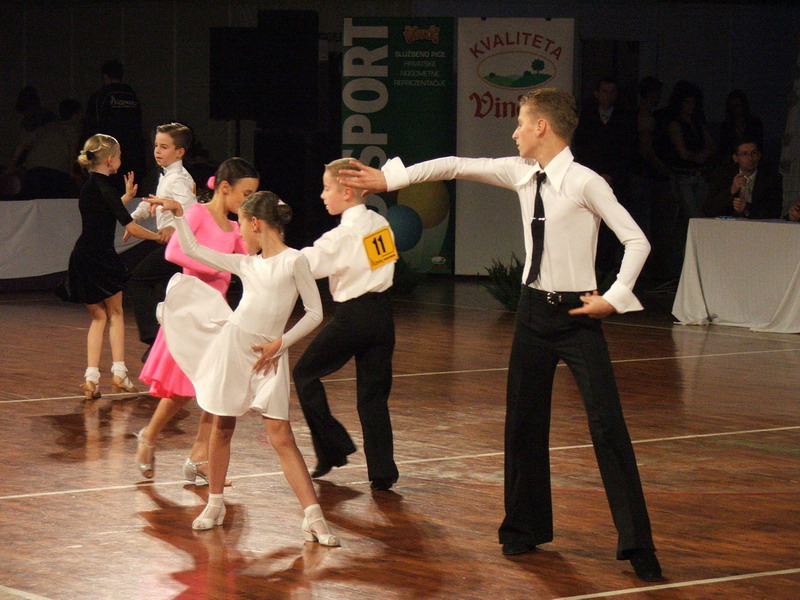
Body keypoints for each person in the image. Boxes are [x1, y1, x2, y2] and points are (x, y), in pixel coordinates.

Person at [337, 88, 662, 581]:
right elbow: (453, 165)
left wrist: (614, 298)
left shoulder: (585, 181)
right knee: (523, 424)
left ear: (541, 127)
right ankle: (524, 528)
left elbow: (637, 240)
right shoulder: (521, 172)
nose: (513, 133)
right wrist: (390, 178)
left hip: (578, 315)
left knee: (607, 428)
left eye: (520, 123)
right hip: (532, 314)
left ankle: (638, 546)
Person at [149, 191, 338, 546]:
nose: (241, 235)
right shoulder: (247, 264)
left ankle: (313, 517)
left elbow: (315, 313)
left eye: (243, 227)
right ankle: (214, 503)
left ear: (257, 224)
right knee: (222, 427)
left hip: (271, 356)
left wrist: (281, 343)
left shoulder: (294, 261)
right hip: (234, 349)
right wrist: (178, 215)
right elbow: (194, 250)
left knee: (282, 436)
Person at [134, 158, 259, 482]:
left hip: (217, 314)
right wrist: (217, 265)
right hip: (190, 312)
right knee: (181, 390)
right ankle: (149, 436)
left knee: (217, 389)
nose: (248, 200)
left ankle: (199, 457)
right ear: (225, 188)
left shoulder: (235, 227)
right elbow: (174, 252)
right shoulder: (198, 214)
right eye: (246, 194)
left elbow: (249, 260)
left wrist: (263, 225)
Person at [293, 158, 399, 492]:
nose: (323, 196)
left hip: (353, 317)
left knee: (304, 373)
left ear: (348, 192)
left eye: (327, 189)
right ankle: (382, 472)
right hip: (383, 316)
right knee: (373, 397)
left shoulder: (339, 237)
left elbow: (305, 265)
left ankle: (333, 447)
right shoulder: (380, 223)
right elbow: (380, 264)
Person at [56, 134, 164, 400]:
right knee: (115, 313)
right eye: (119, 156)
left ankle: (91, 379)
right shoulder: (105, 189)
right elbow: (132, 228)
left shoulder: (90, 187)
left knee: (98, 317)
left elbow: (105, 210)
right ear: (109, 160)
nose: (120, 160)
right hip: (102, 257)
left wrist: (124, 198)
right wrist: (159, 237)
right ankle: (119, 373)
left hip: (82, 257)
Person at [128, 122, 197, 360]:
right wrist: (133, 218)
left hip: (178, 245)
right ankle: (163, 346)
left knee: (138, 280)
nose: (157, 150)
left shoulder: (178, 179)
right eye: (156, 145)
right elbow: (154, 202)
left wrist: (172, 226)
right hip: (174, 245)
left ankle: (156, 340)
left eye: (164, 147)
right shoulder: (169, 175)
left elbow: (191, 211)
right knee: (163, 293)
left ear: (180, 152)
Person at [572, 77, 637, 284]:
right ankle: (590, 274)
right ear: (596, 94)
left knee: (613, 227)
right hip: (590, 179)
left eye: (612, 91)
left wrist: (612, 175)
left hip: (617, 181)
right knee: (590, 227)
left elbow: (628, 151)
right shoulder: (586, 118)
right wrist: (596, 175)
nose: (608, 95)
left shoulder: (625, 119)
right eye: (604, 91)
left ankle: (609, 275)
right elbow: (581, 150)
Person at [84, 60, 146, 185]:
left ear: (105, 76)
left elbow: (91, 127)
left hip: (107, 156)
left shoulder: (100, 96)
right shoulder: (132, 96)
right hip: (133, 154)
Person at [15, 99, 83, 199]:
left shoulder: (46, 127)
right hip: (54, 172)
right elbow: (72, 150)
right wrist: (72, 172)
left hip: (32, 171)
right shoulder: (72, 127)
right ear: (75, 115)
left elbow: (22, 144)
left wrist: (11, 168)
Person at [704, 138, 783, 219]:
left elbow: (775, 212)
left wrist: (747, 209)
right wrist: (731, 191)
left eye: (754, 153)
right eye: (744, 154)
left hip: (758, 225)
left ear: (759, 156)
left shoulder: (772, 179)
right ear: (735, 158)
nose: (750, 158)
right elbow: (709, 210)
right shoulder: (723, 175)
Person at [718, 90, 764, 159]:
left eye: (738, 106)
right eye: (732, 107)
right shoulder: (726, 126)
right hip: (733, 160)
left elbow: (758, 146)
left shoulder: (754, 123)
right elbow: (723, 149)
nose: (735, 110)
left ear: (744, 106)